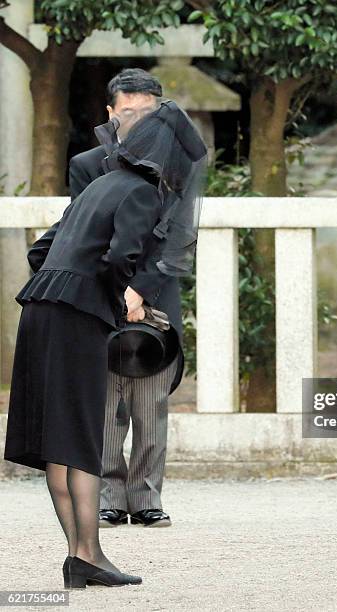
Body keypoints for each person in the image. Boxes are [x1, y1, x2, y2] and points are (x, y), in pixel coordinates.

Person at [3, 101, 207, 587]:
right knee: (81, 436)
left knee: (60, 436)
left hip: (40, 310)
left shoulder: (98, 185)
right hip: (76, 319)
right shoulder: (143, 193)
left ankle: (79, 555)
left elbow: (40, 250)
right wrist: (121, 298)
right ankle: (89, 554)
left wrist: (74, 283)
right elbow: (122, 255)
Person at [69, 68, 185, 528]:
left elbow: (176, 239)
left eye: (148, 114)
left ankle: (148, 497)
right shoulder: (86, 165)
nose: (138, 122)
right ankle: (109, 496)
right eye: (129, 112)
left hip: (155, 297)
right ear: (110, 113)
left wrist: (141, 291)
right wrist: (118, 293)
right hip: (102, 296)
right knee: (105, 405)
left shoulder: (178, 167)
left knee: (152, 404)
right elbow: (84, 235)